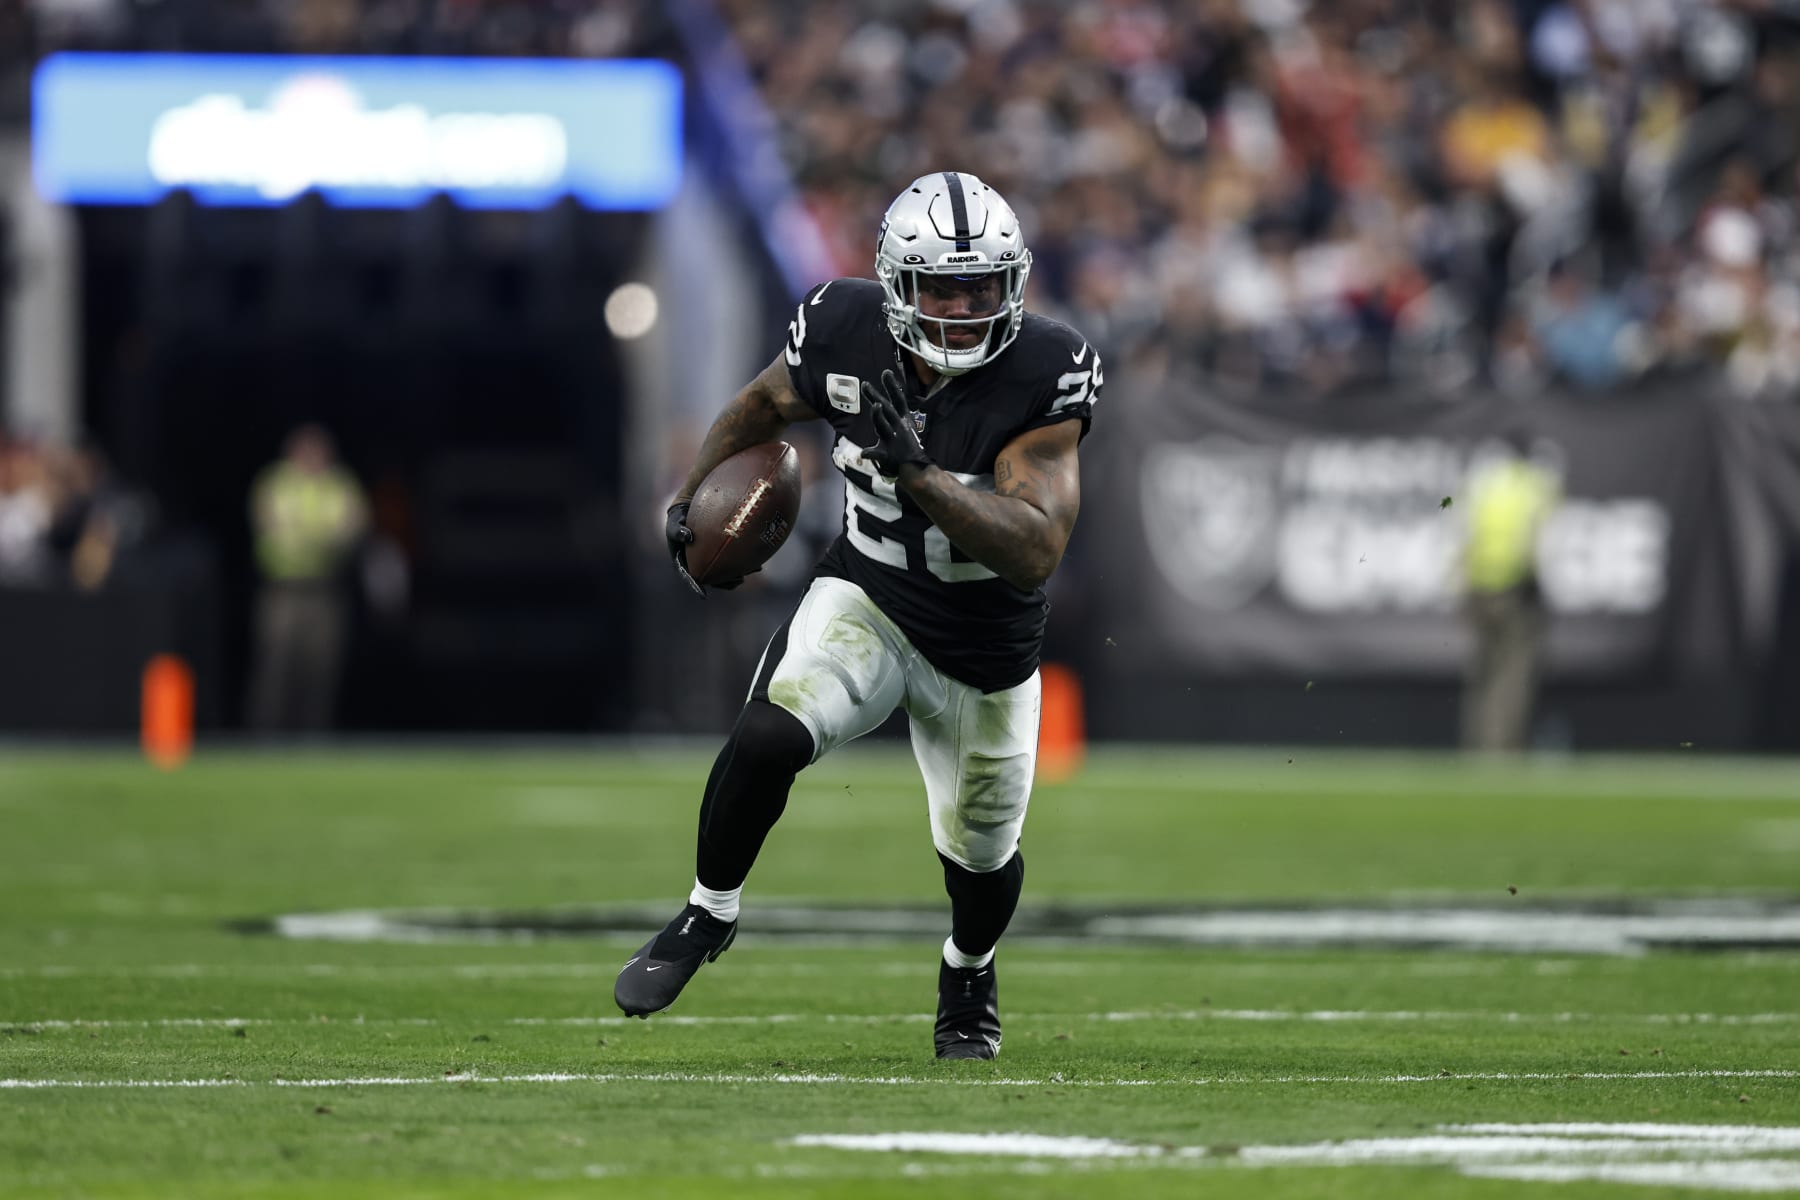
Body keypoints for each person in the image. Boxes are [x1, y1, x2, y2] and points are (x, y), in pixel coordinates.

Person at [614, 172, 1100, 1059]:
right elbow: (764, 403)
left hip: (984, 648)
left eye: (982, 286)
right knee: (767, 736)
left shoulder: (1045, 369)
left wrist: (922, 478)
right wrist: (690, 499)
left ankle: (968, 971)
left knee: (980, 864)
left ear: (1014, 284)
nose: (962, 307)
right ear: (894, 283)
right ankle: (706, 913)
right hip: (869, 598)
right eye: (942, 286)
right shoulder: (841, 325)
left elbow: (1034, 548)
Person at [246, 424, 367, 733]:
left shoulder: (339, 484)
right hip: (284, 590)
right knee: (276, 667)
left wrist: (305, 535)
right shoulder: (277, 482)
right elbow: (270, 526)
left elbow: (353, 527)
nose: (313, 456)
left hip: (324, 591)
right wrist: (318, 537)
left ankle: (315, 737)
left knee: (322, 668)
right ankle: (266, 736)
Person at [1460, 429, 1562, 753]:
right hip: (1515, 590)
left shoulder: (1485, 484)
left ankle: (1476, 744)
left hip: (1478, 587)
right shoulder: (1532, 486)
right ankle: (1504, 747)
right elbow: (1532, 542)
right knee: (1514, 676)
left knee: (1483, 672)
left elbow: (1465, 535)